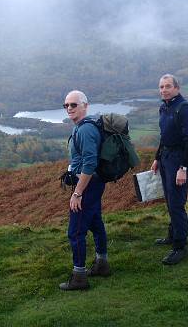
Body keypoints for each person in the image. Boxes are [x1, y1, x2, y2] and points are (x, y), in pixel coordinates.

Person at [59, 90, 110, 291]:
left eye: (73, 104)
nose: (69, 108)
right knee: (95, 222)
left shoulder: (86, 130)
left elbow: (90, 163)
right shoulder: (82, 126)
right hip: (93, 184)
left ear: (85, 105)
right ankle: (102, 264)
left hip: (88, 185)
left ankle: (79, 277)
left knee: (76, 230)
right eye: (66, 105)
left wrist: (78, 192)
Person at [151, 74, 188, 265]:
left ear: (177, 88)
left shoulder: (184, 108)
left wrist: (183, 168)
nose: (164, 90)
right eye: (161, 87)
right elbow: (164, 136)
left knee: (176, 203)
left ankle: (180, 246)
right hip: (165, 158)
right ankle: (172, 235)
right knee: (170, 199)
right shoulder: (165, 107)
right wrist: (156, 158)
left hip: (178, 159)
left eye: (168, 86)